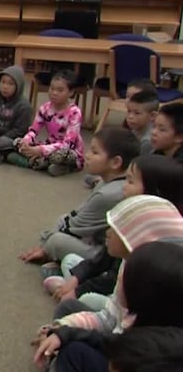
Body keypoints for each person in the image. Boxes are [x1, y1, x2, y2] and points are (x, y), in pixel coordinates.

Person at [44, 154, 183, 309]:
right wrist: (77, 278)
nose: (124, 186)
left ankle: (67, 290)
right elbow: (105, 256)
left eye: (130, 181)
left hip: (127, 296)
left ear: (155, 192)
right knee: (71, 260)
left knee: (88, 300)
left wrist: (78, 291)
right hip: (112, 277)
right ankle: (67, 284)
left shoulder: (154, 234)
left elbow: (116, 278)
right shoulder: (130, 209)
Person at [33, 240, 183, 372]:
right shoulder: (154, 328)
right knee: (70, 321)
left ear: (143, 294)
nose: (119, 279)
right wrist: (63, 333)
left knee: (73, 351)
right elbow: (112, 340)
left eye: (126, 276)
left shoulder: (156, 354)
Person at [18, 127, 140, 264]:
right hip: (93, 235)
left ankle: (60, 261)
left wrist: (46, 246)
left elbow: (75, 226)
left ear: (116, 162)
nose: (87, 155)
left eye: (95, 152)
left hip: (105, 252)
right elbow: (79, 213)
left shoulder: (109, 195)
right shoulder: (105, 181)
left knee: (57, 241)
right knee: (61, 220)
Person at [11, 69, 85, 177]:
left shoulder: (75, 113)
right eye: (52, 88)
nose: (54, 93)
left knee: (60, 155)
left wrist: (40, 150)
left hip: (69, 151)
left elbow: (67, 144)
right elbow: (33, 130)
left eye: (60, 90)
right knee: (18, 142)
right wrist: (26, 142)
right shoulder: (44, 108)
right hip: (49, 145)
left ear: (71, 92)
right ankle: (43, 162)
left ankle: (42, 162)